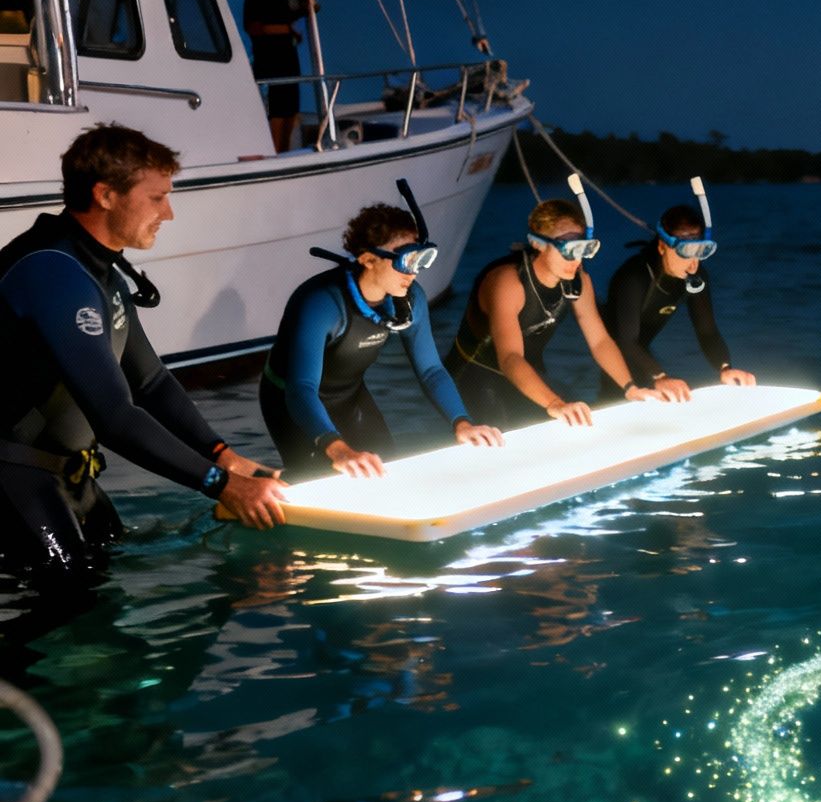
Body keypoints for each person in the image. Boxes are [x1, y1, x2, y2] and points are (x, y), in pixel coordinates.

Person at [0, 124, 288, 576]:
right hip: (14, 477)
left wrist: (223, 455)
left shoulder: (102, 273)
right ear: (106, 195)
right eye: (156, 198)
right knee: (72, 606)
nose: (168, 213)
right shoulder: (52, 272)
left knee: (103, 578)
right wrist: (220, 485)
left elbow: (151, 382)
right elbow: (115, 416)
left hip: (65, 475)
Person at [261, 195, 504, 478]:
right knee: (321, 481)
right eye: (404, 260)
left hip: (349, 397)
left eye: (419, 258)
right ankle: (264, 480)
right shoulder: (321, 303)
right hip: (291, 401)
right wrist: (338, 448)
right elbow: (301, 388)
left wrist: (462, 423)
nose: (412, 272)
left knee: (387, 472)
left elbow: (431, 371)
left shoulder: (410, 300)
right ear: (368, 259)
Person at [447, 196, 685, 429]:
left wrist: (631, 388)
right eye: (568, 249)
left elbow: (600, 340)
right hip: (474, 373)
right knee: (507, 425)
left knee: (578, 420)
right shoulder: (508, 283)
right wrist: (554, 403)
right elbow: (510, 357)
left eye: (582, 248)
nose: (576, 259)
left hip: (528, 373)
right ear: (538, 243)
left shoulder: (577, 279)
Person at [600, 199, 757, 403]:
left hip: (641, 352)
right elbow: (625, 341)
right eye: (686, 252)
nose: (693, 264)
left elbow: (707, 331)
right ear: (663, 247)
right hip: (612, 350)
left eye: (700, 251)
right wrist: (660, 377)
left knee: (664, 390)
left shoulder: (695, 276)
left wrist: (725, 367)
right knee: (621, 394)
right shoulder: (634, 277)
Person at [242, 0, 311, 153]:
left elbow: (306, 8)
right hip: (269, 59)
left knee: (291, 109)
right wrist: (285, 29)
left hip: (289, 58)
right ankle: (274, 153)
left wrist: (311, 5)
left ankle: (285, 152)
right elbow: (252, 27)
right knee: (277, 110)